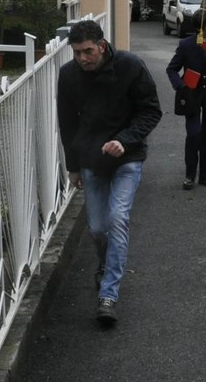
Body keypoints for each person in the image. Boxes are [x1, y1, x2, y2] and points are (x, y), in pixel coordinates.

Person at [56, 18, 163, 326]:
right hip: (90, 160)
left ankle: (108, 295)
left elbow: (151, 110)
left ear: (101, 46)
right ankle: (105, 265)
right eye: (76, 53)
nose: (82, 59)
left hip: (128, 157)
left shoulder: (131, 66)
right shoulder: (69, 76)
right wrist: (73, 165)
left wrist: (124, 140)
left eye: (87, 51)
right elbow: (67, 122)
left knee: (117, 220)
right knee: (98, 228)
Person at [165, 9, 206, 191]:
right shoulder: (186, 44)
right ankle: (190, 175)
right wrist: (181, 86)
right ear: (200, 28)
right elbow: (172, 69)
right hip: (191, 96)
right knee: (193, 134)